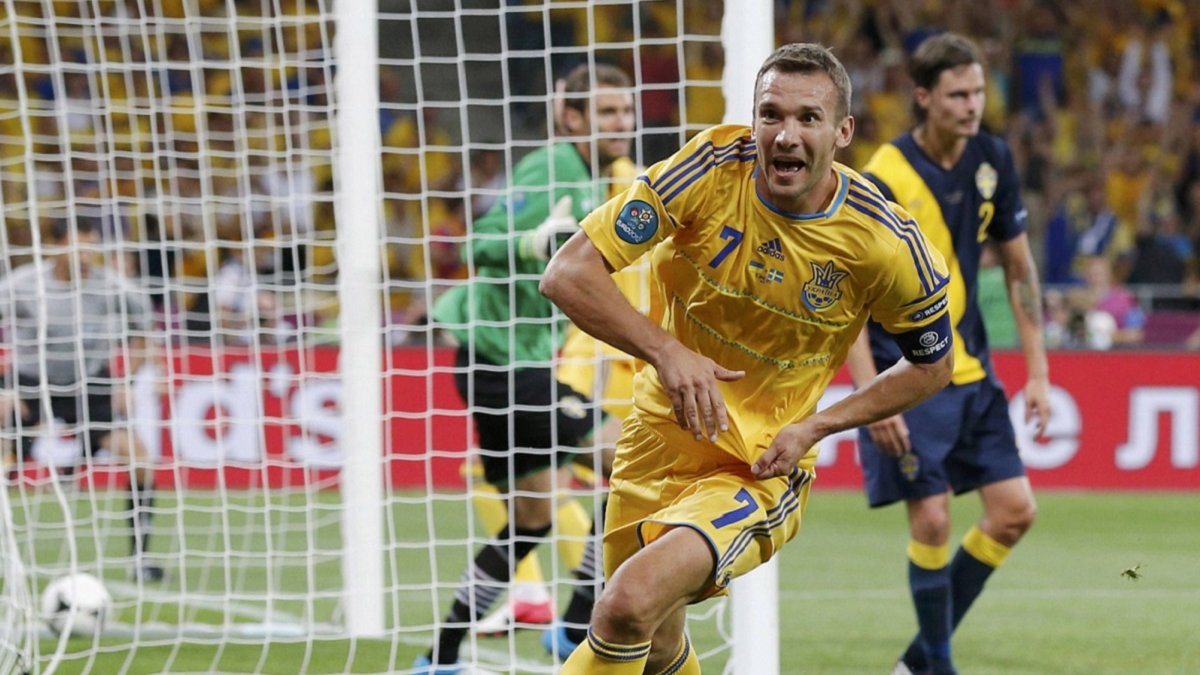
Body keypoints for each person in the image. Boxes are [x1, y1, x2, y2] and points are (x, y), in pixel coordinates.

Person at [540, 42, 955, 675]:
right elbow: (567, 272)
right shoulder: (707, 170)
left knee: (624, 605)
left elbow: (933, 364)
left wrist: (818, 425)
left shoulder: (884, 241)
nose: (786, 135)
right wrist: (667, 352)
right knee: (656, 644)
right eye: (771, 115)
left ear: (842, 132)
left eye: (808, 118)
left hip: (759, 465)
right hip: (655, 438)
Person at [415, 61, 636, 674]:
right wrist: (532, 242)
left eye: (626, 111)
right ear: (573, 118)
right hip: (504, 365)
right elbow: (477, 241)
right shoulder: (553, 166)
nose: (621, 123)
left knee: (530, 521)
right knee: (633, 463)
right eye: (607, 112)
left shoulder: (595, 178)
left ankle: (439, 656)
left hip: (509, 364)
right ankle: (575, 626)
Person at [844, 33, 1050, 675]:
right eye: (958, 94)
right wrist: (870, 397)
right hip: (907, 375)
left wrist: (1039, 373)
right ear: (924, 97)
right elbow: (848, 296)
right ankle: (938, 666)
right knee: (932, 520)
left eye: (979, 92)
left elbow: (1019, 269)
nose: (972, 105)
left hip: (973, 371)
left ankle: (917, 662)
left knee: (1014, 512)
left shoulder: (992, 157)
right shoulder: (884, 176)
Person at [0, 218, 162, 582]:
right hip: (30, 383)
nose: (85, 256)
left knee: (139, 459)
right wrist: (3, 388)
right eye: (77, 247)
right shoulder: (23, 285)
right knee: (4, 462)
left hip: (89, 384)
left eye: (90, 247)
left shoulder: (114, 287)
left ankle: (141, 559)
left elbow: (145, 334)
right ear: (56, 246)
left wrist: (127, 381)